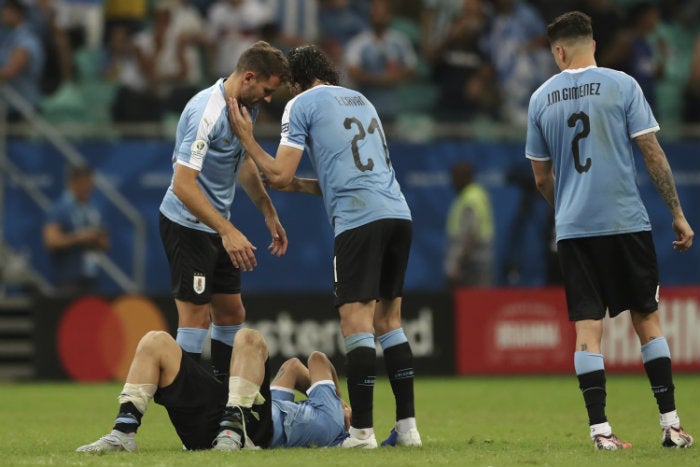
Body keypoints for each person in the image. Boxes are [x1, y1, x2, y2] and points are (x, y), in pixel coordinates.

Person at [227, 44, 421, 449]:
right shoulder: (362, 100)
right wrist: (300, 184)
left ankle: (362, 432)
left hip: (358, 219)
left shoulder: (300, 105)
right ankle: (408, 429)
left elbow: (278, 173)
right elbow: (352, 174)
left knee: (357, 325)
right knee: (391, 323)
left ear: (296, 81)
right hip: (397, 212)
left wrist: (247, 138)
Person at [526, 11, 694, 451]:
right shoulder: (623, 85)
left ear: (559, 51)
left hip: (575, 230)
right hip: (625, 223)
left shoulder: (540, 98)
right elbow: (651, 152)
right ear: (593, 44)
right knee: (647, 320)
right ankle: (671, 426)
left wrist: (565, 208)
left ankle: (600, 432)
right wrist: (676, 212)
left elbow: (541, 179)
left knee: (588, 328)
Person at [158, 40, 289, 383]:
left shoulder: (245, 107)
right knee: (196, 319)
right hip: (186, 224)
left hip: (215, 227)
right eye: (266, 89)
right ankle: (186, 414)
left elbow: (242, 162)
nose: (268, 98)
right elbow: (183, 185)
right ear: (248, 77)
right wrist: (228, 231)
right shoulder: (208, 111)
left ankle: (221, 401)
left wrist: (267, 209)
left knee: (231, 313)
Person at [75, 327, 350, 452]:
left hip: (254, 432)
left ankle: (233, 430)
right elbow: (291, 367)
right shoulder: (321, 412)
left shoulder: (333, 419)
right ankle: (123, 432)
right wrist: (338, 402)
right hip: (232, 415)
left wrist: (339, 402)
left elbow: (316, 361)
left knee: (248, 338)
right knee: (155, 340)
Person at [43, 165, 109, 296]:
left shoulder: (92, 210)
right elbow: (51, 241)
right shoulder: (59, 209)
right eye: (86, 184)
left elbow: (105, 243)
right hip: (68, 279)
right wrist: (81, 238)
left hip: (91, 276)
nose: (89, 188)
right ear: (73, 184)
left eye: (90, 184)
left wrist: (95, 239)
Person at [444, 160, 494, 288]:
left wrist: (456, 264)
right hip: (479, 261)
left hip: (471, 265)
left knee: (474, 304)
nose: (453, 181)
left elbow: (469, 234)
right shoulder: (477, 194)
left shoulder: (470, 199)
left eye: (456, 177)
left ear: (466, 177)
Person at [0, 0, 45, 121]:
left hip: (23, 107)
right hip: (9, 106)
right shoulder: (9, 38)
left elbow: (10, 71)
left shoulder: (26, 39)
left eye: (5, 13)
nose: (2, 17)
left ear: (16, 13)